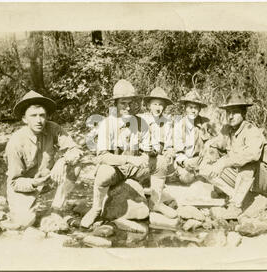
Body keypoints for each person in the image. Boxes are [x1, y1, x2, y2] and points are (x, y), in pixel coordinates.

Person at [81, 80, 176, 228]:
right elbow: (102, 156)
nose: (127, 107)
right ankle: (96, 208)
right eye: (123, 103)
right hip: (116, 169)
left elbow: (147, 149)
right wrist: (129, 159)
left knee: (161, 162)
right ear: (115, 105)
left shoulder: (141, 123)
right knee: (103, 172)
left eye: (130, 103)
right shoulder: (107, 124)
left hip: (135, 169)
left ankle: (155, 204)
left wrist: (152, 153)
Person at [4, 90, 83, 229]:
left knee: (75, 165)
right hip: (25, 187)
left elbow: (76, 150)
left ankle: (55, 210)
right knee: (26, 222)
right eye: (33, 116)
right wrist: (34, 183)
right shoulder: (15, 142)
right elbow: (14, 182)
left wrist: (62, 160)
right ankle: (10, 207)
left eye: (42, 115)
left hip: (48, 180)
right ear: (24, 119)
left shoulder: (53, 128)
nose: (39, 120)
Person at [201, 91, 267, 210]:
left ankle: (236, 205)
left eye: (235, 112)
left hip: (259, 178)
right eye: (228, 112)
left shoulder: (251, 131)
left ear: (243, 113)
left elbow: (252, 155)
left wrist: (223, 162)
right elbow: (218, 143)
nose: (230, 116)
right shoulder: (228, 129)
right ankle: (233, 194)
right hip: (238, 175)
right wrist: (209, 146)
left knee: (248, 163)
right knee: (208, 161)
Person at [139, 87, 177, 218]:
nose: (157, 107)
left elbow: (170, 144)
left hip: (157, 160)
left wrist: (169, 153)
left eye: (161, 104)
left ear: (164, 107)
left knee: (164, 162)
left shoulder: (167, 123)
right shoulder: (140, 120)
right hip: (141, 157)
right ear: (149, 105)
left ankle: (155, 202)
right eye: (155, 104)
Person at [173, 89, 215, 185]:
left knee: (210, 176)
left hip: (201, 160)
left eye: (196, 108)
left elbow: (216, 140)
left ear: (199, 110)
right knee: (186, 179)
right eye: (190, 107)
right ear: (185, 108)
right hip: (186, 161)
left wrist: (208, 146)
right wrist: (185, 162)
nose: (193, 110)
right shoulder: (179, 125)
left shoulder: (206, 123)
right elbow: (178, 150)